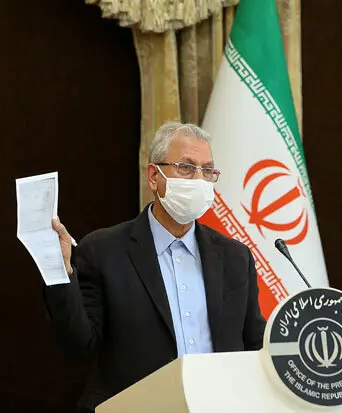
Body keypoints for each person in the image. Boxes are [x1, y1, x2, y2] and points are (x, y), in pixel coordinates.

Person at [44, 122, 266, 412]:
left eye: (207, 171)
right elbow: (79, 343)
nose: (199, 180)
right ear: (153, 176)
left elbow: (255, 345)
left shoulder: (235, 257)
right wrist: (59, 270)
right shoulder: (104, 250)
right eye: (186, 167)